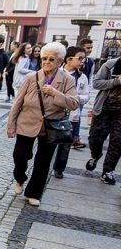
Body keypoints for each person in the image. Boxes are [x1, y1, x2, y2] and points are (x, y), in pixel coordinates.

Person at [6, 42, 78, 206]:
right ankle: (20, 177)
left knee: (43, 161)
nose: (46, 62)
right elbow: (18, 102)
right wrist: (11, 124)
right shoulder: (32, 77)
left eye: (51, 59)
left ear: (60, 61)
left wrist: (55, 93)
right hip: (27, 121)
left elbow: (73, 103)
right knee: (20, 154)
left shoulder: (67, 79)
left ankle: (33, 192)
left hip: (51, 125)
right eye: (44, 58)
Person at [52, 47, 89, 178]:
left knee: (66, 143)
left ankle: (59, 168)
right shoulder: (56, 72)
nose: (82, 61)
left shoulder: (82, 77)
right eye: (80, 58)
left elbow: (86, 96)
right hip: (55, 112)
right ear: (68, 59)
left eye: (83, 58)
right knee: (50, 141)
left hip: (71, 114)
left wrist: (75, 98)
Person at [85, 57, 121, 185]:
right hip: (104, 110)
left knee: (117, 142)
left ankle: (108, 171)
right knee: (95, 138)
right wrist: (116, 81)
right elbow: (97, 83)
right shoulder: (110, 65)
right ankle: (95, 155)